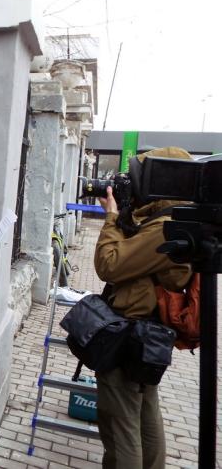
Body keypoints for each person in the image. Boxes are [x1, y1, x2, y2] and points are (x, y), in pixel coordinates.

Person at [94, 146, 193, 469]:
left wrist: (111, 218)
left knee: (121, 426)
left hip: (131, 334)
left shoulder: (165, 226)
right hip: (147, 335)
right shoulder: (173, 218)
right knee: (145, 415)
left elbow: (110, 265)